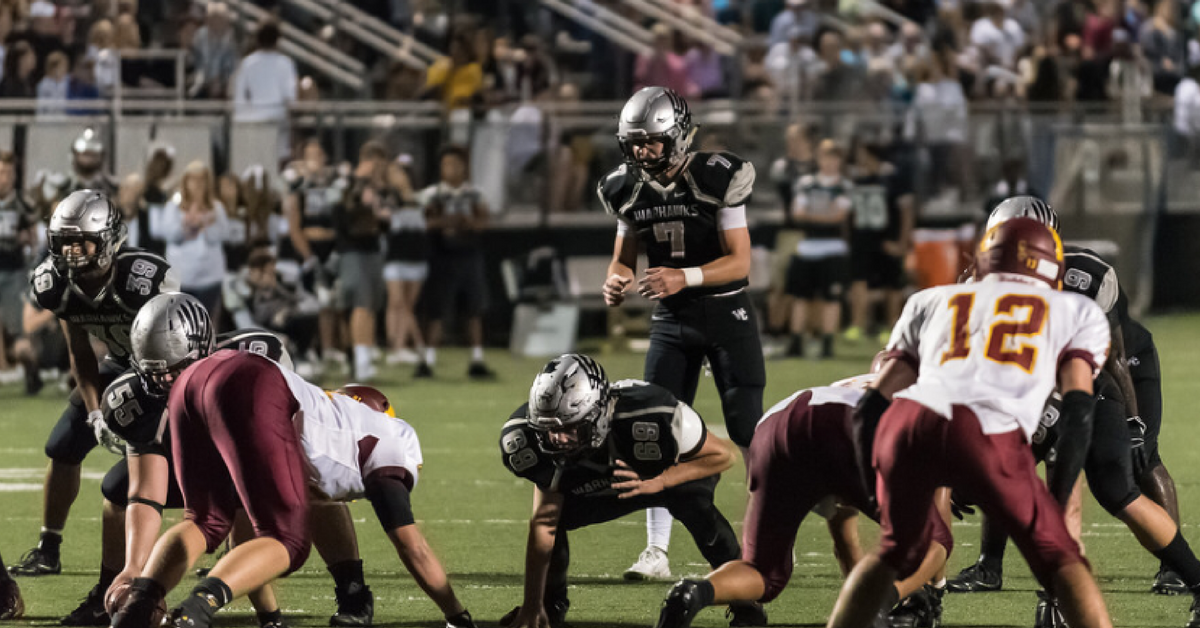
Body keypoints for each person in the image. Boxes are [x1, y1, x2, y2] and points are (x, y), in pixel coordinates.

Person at [109, 297, 476, 628]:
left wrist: (270, 619)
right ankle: (196, 610)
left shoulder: (331, 422)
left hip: (189, 388)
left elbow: (243, 538)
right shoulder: (390, 449)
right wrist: (457, 615)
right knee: (288, 541)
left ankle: (138, 606)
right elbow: (413, 547)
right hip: (246, 380)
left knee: (204, 520)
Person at [824, 217, 1115, 628]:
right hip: (988, 431)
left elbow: (874, 402)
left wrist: (871, 477)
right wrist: (1060, 493)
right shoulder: (1074, 310)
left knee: (892, 551)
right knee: (1063, 558)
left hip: (907, 425)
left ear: (983, 260)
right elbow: (1078, 413)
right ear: (1052, 267)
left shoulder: (931, 300)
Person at [946, 197, 1200, 626]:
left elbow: (1106, 360)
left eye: (1023, 246)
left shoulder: (1082, 279)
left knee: (1113, 487)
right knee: (1007, 480)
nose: (1013, 259)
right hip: (1030, 391)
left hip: (1087, 384)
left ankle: (1071, 593)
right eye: (1006, 245)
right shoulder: (976, 284)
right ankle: (1024, 584)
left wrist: (1129, 420)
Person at [99, 293, 374, 628]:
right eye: (155, 373)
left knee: (309, 478)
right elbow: (146, 490)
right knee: (200, 518)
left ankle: (351, 589)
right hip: (193, 459)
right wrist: (134, 567)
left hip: (253, 439)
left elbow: (257, 477)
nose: (166, 382)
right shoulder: (133, 400)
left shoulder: (254, 358)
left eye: (174, 370)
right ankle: (144, 600)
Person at [599, 86, 763, 580]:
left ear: (677, 136)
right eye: (634, 143)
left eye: (650, 141)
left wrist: (683, 276)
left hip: (725, 313)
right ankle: (656, 552)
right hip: (672, 321)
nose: (641, 151)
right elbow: (623, 256)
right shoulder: (625, 187)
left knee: (747, 431)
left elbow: (740, 262)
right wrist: (617, 278)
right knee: (653, 430)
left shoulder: (718, 176)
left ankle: (762, 541)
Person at [655, 371, 954, 628]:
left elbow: (845, 537)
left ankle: (694, 592)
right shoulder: (942, 407)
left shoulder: (883, 385)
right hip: (847, 427)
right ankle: (884, 600)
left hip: (777, 425)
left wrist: (862, 609)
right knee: (935, 539)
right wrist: (921, 592)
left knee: (764, 572)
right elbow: (936, 538)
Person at [497, 354, 762, 628]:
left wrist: (660, 481)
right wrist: (532, 604)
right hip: (605, 482)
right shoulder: (527, 438)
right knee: (557, 518)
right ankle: (549, 609)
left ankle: (746, 604)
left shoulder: (652, 414)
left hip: (660, 472)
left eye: (569, 427)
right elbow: (544, 524)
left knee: (694, 503)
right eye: (549, 430)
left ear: (597, 413)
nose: (557, 439)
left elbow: (722, 456)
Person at [10, 191, 178, 583]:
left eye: (80, 241)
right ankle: (48, 548)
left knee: (158, 462)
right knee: (62, 444)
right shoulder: (57, 284)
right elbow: (79, 353)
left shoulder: (144, 278)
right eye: (63, 243)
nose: (70, 253)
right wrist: (95, 412)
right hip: (119, 363)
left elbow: (176, 345)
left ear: (107, 238)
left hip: (164, 373)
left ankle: (216, 529)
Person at [417, 144, 494, 379]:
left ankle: (477, 359)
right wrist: (449, 221)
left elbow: (482, 223)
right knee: (437, 310)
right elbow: (425, 223)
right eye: (446, 164)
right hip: (443, 256)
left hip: (469, 255)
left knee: (473, 309)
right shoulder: (432, 194)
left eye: (455, 164)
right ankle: (428, 360)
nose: (450, 169)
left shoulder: (475, 193)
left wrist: (465, 222)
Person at [786, 138, 851, 359]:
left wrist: (813, 217)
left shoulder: (844, 185)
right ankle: (796, 342)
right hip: (807, 247)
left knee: (831, 299)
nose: (830, 162)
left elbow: (839, 217)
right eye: (826, 156)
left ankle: (827, 344)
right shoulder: (806, 182)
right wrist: (826, 216)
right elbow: (798, 214)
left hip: (833, 248)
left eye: (834, 157)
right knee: (800, 297)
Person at [844, 139, 914, 345]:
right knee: (859, 280)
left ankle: (891, 325)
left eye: (863, 154)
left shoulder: (893, 178)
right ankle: (858, 324)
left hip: (887, 236)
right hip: (862, 237)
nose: (859, 159)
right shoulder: (855, 179)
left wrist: (902, 241)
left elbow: (907, 211)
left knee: (891, 284)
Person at [160, 161, 230, 318]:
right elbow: (169, 235)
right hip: (182, 276)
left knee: (205, 322)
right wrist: (186, 225)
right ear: (185, 182)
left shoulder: (217, 208)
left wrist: (206, 224)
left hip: (210, 277)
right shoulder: (173, 206)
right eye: (193, 179)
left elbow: (224, 234)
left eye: (202, 180)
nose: (197, 184)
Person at [231, 20, 297, 161]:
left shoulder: (247, 63)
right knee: (277, 162)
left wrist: (242, 120)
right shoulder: (285, 63)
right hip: (277, 119)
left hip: (252, 122)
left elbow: (239, 98)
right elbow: (291, 97)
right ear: (277, 41)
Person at [0, 151, 35, 383]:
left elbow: (33, 238)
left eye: (8, 173)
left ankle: (30, 365)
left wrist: (25, 238)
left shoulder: (23, 203)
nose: (4, 178)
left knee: (18, 327)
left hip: (13, 270)